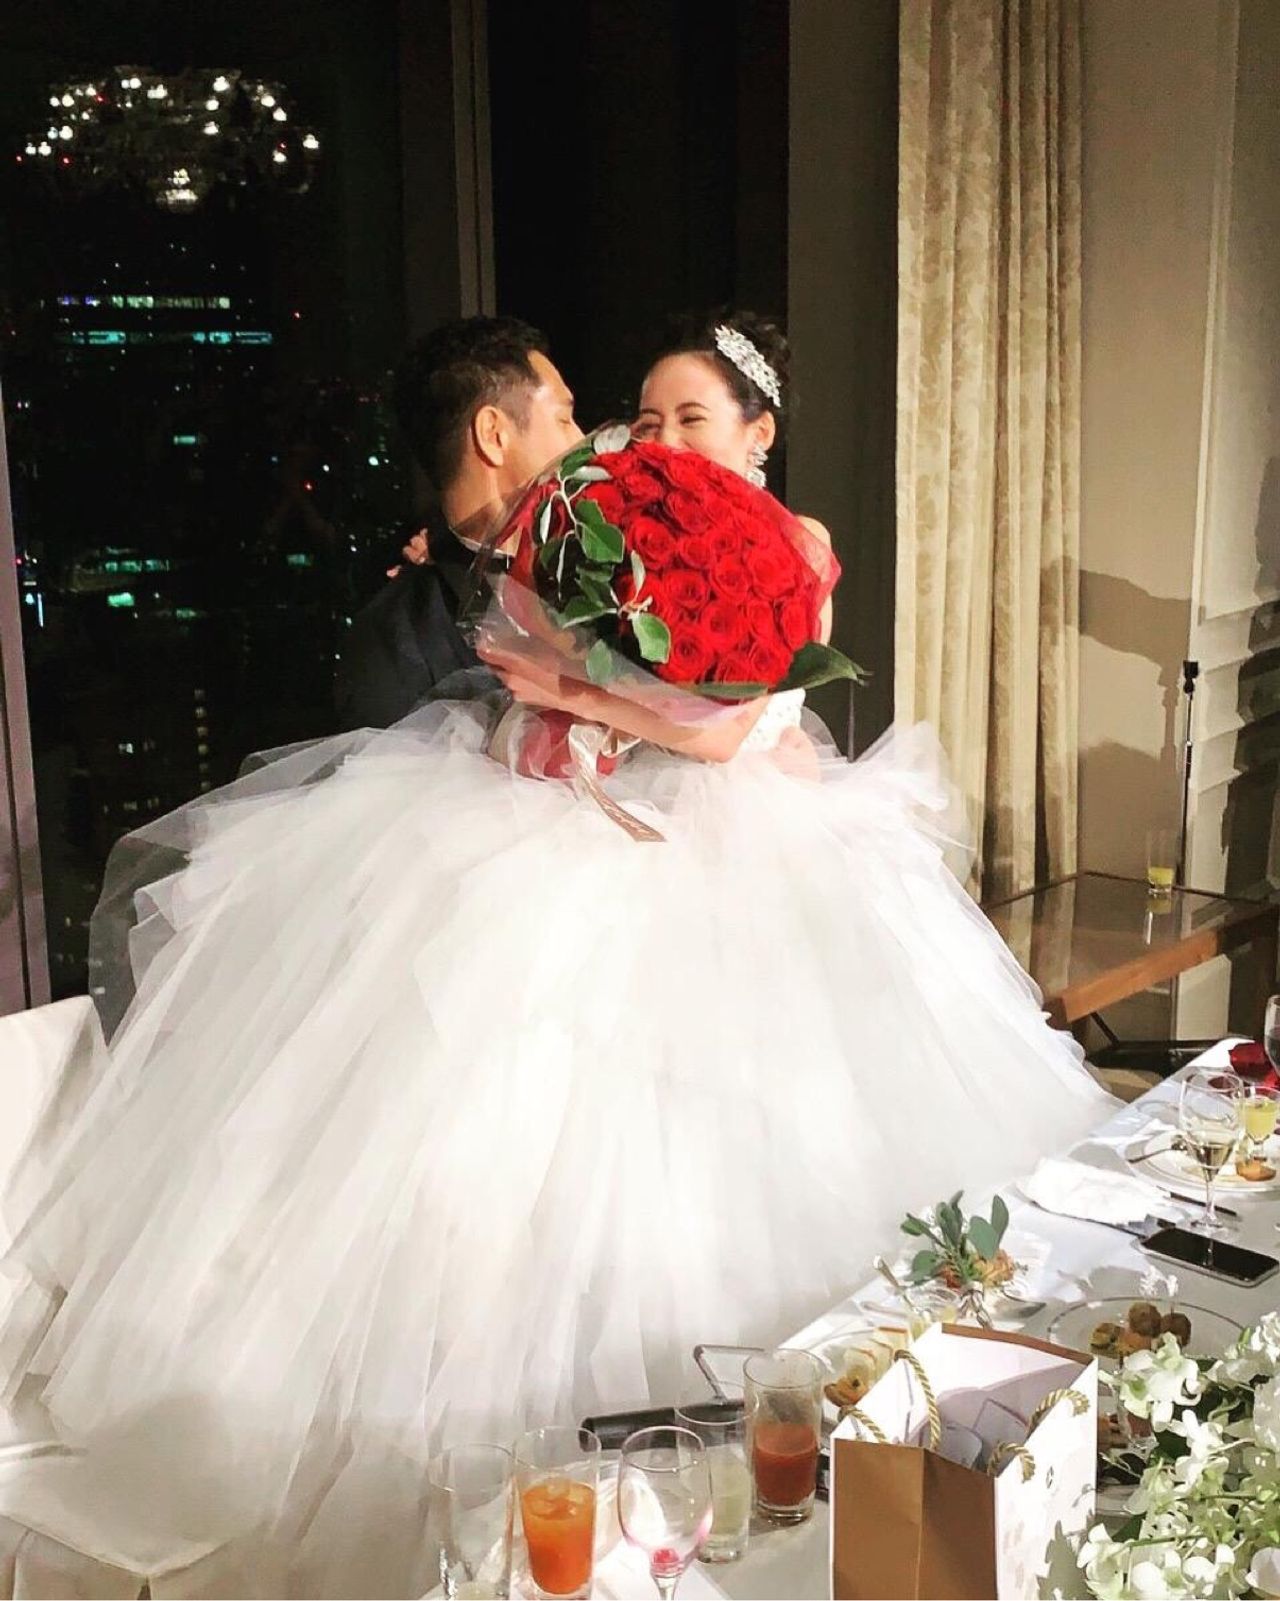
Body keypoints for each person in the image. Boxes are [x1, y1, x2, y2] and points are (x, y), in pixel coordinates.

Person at [0, 312, 1114, 1598]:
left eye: (689, 417)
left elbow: (731, 720)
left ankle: (849, 1463)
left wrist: (581, 692)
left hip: (748, 847)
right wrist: (559, 681)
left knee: (768, 1134)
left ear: (757, 432)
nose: (647, 437)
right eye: (642, 415)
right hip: (597, 829)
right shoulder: (592, 526)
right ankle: (569, 1505)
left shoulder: (788, 542)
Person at [335, 315, 582, 730]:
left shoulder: (613, 578)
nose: (581, 440)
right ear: (493, 434)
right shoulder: (398, 643)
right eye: (563, 419)